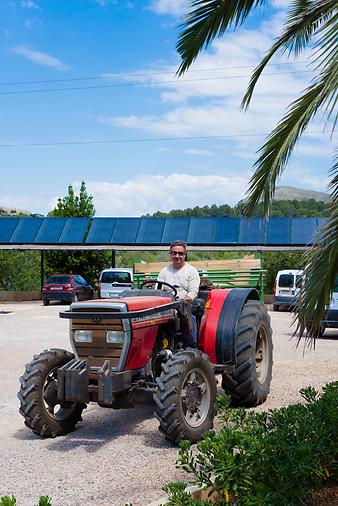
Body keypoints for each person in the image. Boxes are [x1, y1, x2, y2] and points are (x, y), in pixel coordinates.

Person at [158, 240, 200, 346]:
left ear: (185, 255)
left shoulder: (191, 271)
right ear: (170, 254)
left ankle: (191, 347)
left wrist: (180, 302)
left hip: (183, 306)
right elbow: (157, 290)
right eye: (174, 253)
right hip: (166, 306)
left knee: (190, 316)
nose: (177, 256)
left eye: (180, 253)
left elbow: (193, 292)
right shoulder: (164, 271)